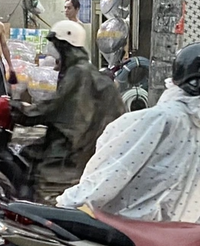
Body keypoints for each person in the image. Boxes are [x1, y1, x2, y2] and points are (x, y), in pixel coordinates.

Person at [55, 42, 200, 223]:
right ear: (198, 82)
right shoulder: (162, 120)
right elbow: (115, 170)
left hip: (164, 230)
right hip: (132, 230)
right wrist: (68, 211)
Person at [11, 20, 125, 200]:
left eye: (56, 45)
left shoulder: (78, 72)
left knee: (43, 170)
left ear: (66, 46)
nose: (52, 49)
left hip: (78, 142)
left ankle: (43, 208)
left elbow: (55, 107)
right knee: (28, 153)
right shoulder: (79, 70)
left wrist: (22, 112)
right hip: (85, 137)